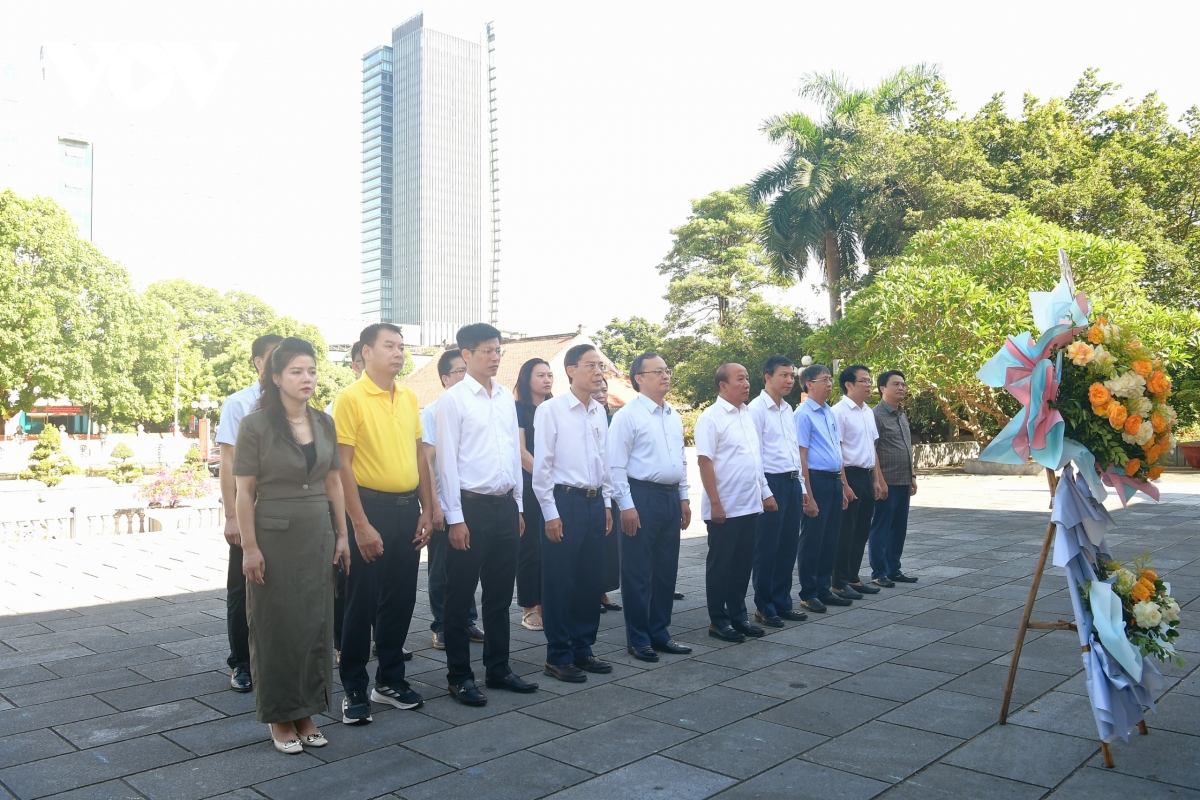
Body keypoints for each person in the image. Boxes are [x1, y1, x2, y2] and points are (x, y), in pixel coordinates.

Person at [233, 338, 350, 754]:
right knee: (275, 627)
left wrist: (342, 534)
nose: (307, 378)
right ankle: (280, 716)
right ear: (277, 377)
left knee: (315, 624)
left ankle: (307, 711)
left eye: (312, 370)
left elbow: (333, 481)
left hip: (318, 531)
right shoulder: (256, 425)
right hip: (273, 536)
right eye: (297, 371)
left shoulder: (323, 422)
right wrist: (249, 547)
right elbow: (244, 492)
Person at [333, 323, 434, 724]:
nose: (398, 352)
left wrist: (429, 508)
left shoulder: (409, 396)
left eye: (401, 346)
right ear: (366, 352)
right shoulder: (349, 398)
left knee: (401, 598)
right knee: (360, 601)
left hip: (408, 509)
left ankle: (390, 680)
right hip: (368, 510)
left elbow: (419, 455)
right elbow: (341, 464)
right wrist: (359, 524)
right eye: (389, 346)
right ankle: (354, 687)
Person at [436, 323, 538, 705]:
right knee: (459, 597)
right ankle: (459, 676)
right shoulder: (454, 400)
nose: (494, 358)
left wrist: (519, 505)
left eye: (498, 351)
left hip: (505, 507)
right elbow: (446, 463)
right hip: (471, 508)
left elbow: (513, 453)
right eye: (486, 351)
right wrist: (455, 518)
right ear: (466, 355)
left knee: (499, 594)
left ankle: (498, 668)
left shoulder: (503, 400)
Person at [532, 343, 615, 682]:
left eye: (601, 366)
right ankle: (558, 655)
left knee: (589, 580)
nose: (598, 372)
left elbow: (604, 462)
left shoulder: (598, 411)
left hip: (595, 503)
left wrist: (607, 504)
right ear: (571, 370)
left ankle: (583, 648)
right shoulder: (551, 411)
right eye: (591, 366)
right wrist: (550, 513)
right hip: (563, 502)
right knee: (560, 581)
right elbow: (543, 468)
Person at [609, 352, 693, 663]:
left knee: (666, 570)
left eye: (667, 370)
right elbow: (615, 465)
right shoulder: (627, 416)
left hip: (670, 498)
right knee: (637, 571)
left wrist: (684, 497)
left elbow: (680, 459)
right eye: (657, 371)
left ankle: (660, 632)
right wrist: (626, 506)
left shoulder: (672, 414)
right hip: (640, 497)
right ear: (639, 379)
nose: (665, 375)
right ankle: (638, 638)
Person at [217, 333, 283, 693]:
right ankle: (241, 662)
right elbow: (227, 464)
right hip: (249, 508)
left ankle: (275, 658)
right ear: (258, 362)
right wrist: (231, 515)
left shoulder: (295, 403)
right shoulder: (239, 404)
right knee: (242, 588)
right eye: (274, 357)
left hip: (286, 510)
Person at [695, 363, 775, 643]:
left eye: (747, 378)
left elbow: (755, 459)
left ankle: (738, 617)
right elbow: (705, 461)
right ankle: (718, 621)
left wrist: (765, 492)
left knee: (742, 566)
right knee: (721, 567)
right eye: (739, 379)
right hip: (725, 508)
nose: (746, 383)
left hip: (749, 504)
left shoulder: (746, 414)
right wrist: (715, 503)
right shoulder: (711, 417)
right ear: (723, 385)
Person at [421, 349, 482, 651]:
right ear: (444, 378)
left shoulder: (478, 406)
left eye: (465, 370)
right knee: (441, 567)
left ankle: (466, 620)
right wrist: (434, 505)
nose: (463, 375)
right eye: (457, 371)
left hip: (471, 500)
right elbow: (428, 462)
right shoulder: (433, 411)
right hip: (444, 503)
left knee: (467, 564)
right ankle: (441, 625)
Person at [748, 356, 810, 629]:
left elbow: (794, 453)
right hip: (770, 482)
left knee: (787, 546)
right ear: (767, 377)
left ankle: (782, 601)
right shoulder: (756, 409)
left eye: (791, 375)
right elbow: (755, 455)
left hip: (791, 482)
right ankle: (764, 606)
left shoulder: (788, 409)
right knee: (766, 548)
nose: (789, 380)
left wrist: (803, 488)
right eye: (783, 375)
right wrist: (765, 491)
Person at [794, 363, 853, 614]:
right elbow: (801, 457)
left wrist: (842, 484)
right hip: (815, 480)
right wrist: (807, 494)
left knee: (830, 538)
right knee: (812, 539)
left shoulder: (828, 412)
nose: (829, 383)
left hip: (832, 480)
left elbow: (836, 451)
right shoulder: (803, 414)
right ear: (809, 384)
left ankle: (823, 588)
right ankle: (808, 592)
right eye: (824, 379)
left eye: (830, 378)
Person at [831, 365, 887, 599]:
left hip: (865, 474)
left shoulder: (867, 412)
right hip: (849, 475)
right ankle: (838, 581)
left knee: (862, 529)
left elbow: (872, 447)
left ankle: (853, 577)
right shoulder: (839, 412)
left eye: (869, 380)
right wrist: (844, 484)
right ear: (849, 385)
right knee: (846, 531)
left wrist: (876, 479)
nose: (869, 385)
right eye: (863, 381)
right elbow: (838, 450)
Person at [327, 340, 362, 657]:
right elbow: (338, 468)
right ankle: (341, 643)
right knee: (346, 577)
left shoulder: (401, 399)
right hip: (345, 501)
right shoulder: (340, 405)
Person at [868, 370, 918, 588]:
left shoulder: (901, 413)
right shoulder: (876, 415)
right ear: (882, 388)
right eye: (895, 384)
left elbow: (907, 446)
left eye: (903, 384)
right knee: (881, 526)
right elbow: (873, 450)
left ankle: (893, 568)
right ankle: (879, 572)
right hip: (886, 482)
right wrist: (879, 481)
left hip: (904, 480)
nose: (901, 388)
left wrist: (913, 475)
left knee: (899, 527)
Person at [515, 358, 553, 631]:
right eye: (540, 374)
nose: (547, 379)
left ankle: (547, 602)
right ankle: (529, 607)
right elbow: (521, 451)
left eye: (550, 374)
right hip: (529, 485)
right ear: (527, 378)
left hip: (555, 485)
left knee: (552, 545)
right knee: (530, 546)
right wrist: (543, 478)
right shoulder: (517, 409)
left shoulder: (556, 408)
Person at [592, 378, 621, 614]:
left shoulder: (612, 418)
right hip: (592, 489)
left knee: (608, 545)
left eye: (605, 390)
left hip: (612, 488)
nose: (602, 394)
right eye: (597, 390)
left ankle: (602, 592)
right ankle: (591, 593)